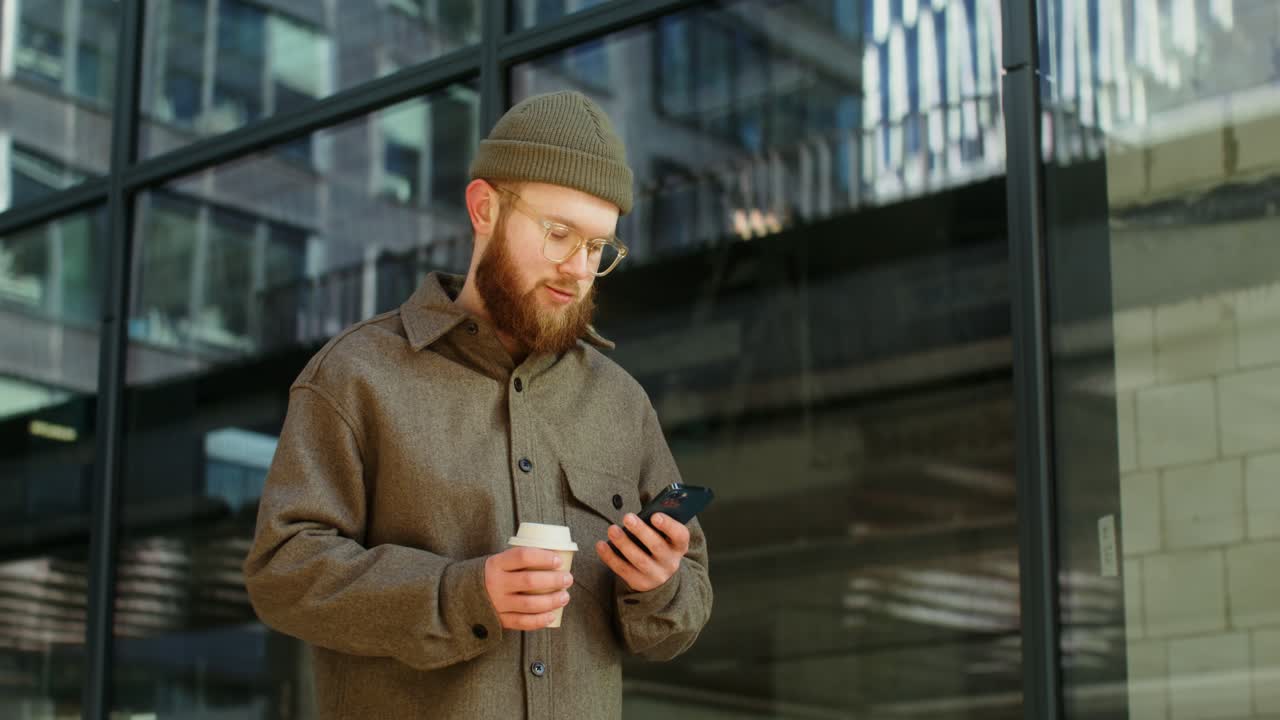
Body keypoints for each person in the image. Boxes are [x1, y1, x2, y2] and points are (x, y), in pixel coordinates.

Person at [243, 90, 713, 719]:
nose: (577, 268)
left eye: (598, 247)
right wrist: (460, 596)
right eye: (558, 233)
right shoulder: (357, 374)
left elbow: (685, 609)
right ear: (484, 207)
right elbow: (282, 571)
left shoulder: (621, 403)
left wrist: (659, 585)